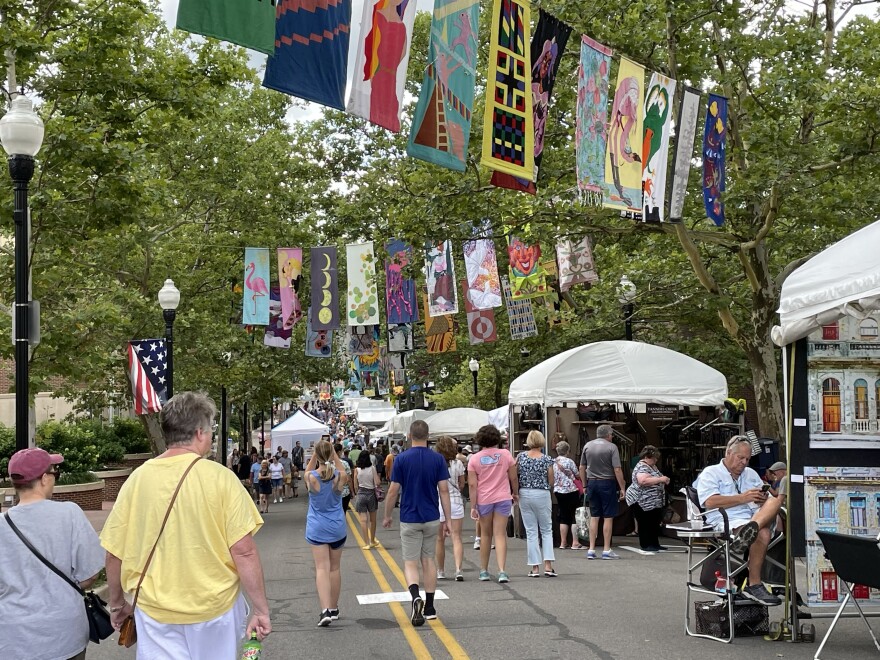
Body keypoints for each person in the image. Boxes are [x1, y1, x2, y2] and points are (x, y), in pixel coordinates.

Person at [101, 391, 271, 655]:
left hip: (154, 611)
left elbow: (114, 552)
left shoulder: (137, 480)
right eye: (211, 429)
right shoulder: (221, 478)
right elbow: (244, 551)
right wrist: (260, 609)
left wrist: (116, 603)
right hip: (214, 608)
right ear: (200, 433)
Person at [0, 448, 105, 660]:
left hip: (14, 637)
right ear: (44, 478)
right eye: (55, 472)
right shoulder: (70, 513)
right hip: (64, 635)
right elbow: (90, 574)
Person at [694, 435, 783, 606]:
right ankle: (755, 584)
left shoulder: (751, 474)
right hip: (728, 520)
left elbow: (769, 498)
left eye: (747, 459)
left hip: (753, 518)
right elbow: (709, 501)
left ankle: (751, 529)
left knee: (775, 501)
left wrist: (762, 499)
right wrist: (743, 498)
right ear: (728, 453)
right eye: (740, 457)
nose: (744, 462)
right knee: (762, 533)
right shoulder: (711, 473)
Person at [383, 420, 452, 626]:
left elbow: (393, 490)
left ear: (409, 435)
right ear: (428, 436)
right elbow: (444, 490)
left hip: (409, 516)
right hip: (431, 517)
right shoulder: (438, 459)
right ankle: (430, 607)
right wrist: (448, 520)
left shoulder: (401, 459)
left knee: (410, 562)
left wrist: (387, 515)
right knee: (428, 560)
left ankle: (415, 597)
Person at [304, 440, 350, 627]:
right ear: (331, 454)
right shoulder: (339, 476)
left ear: (316, 455)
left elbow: (307, 470)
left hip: (317, 527)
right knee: (335, 568)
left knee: (321, 568)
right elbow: (343, 471)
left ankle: (324, 610)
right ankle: (333, 607)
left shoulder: (311, 477)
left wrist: (316, 454)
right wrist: (334, 455)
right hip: (337, 526)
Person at [468, 424, 517, 583]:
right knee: (500, 534)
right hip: (503, 497)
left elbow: (472, 485)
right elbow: (513, 477)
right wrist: (515, 493)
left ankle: (484, 570)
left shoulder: (474, 459)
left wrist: (473, 506)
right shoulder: (505, 454)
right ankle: (502, 571)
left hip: (484, 499)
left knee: (485, 535)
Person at [579, 424, 626, 560]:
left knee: (594, 516)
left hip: (592, 482)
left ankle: (591, 549)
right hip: (607, 482)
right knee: (608, 517)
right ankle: (606, 549)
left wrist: (584, 484)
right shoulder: (612, 447)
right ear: (608, 435)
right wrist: (622, 487)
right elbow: (617, 469)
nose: (612, 436)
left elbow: (582, 467)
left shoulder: (587, 446)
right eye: (611, 434)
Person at [516, 431, 557, 577]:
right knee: (546, 529)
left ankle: (535, 568)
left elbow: (514, 474)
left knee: (531, 531)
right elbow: (551, 480)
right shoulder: (547, 459)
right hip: (541, 493)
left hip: (525, 492)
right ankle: (548, 565)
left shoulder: (521, 457)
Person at [625, 446, 670, 552]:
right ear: (646, 457)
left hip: (653, 501)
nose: (656, 460)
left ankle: (654, 543)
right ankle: (646, 544)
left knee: (654, 522)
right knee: (645, 522)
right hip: (642, 500)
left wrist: (664, 479)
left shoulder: (652, 466)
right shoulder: (642, 467)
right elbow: (643, 481)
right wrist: (660, 479)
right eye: (653, 458)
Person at [434, 436, 465, 581]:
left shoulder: (434, 463)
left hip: (439, 502)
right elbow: (462, 483)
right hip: (456, 501)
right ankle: (458, 569)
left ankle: (440, 570)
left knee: (439, 539)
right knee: (456, 537)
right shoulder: (458, 463)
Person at [553, 441, 582, 549]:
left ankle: (563, 542)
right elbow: (577, 475)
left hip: (558, 491)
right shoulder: (569, 462)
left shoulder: (553, 462)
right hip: (571, 490)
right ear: (568, 451)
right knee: (574, 516)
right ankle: (575, 542)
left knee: (563, 516)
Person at [353, 451, 381, 549]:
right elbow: (377, 482)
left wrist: (356, 493)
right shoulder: (372, 468)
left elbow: (355, 485)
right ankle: (372, 540)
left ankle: (366, 543)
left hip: (361, 494)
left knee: (363, 521)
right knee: (373, 520)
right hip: (371, 495)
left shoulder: (357, 469)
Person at [335, 443, 353, 513]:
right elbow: (349, 480)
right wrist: (352, 491)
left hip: (333, 493)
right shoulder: (345, 463)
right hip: (344, 493)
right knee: (343, 512)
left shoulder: (329, 464)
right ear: (339, 452)